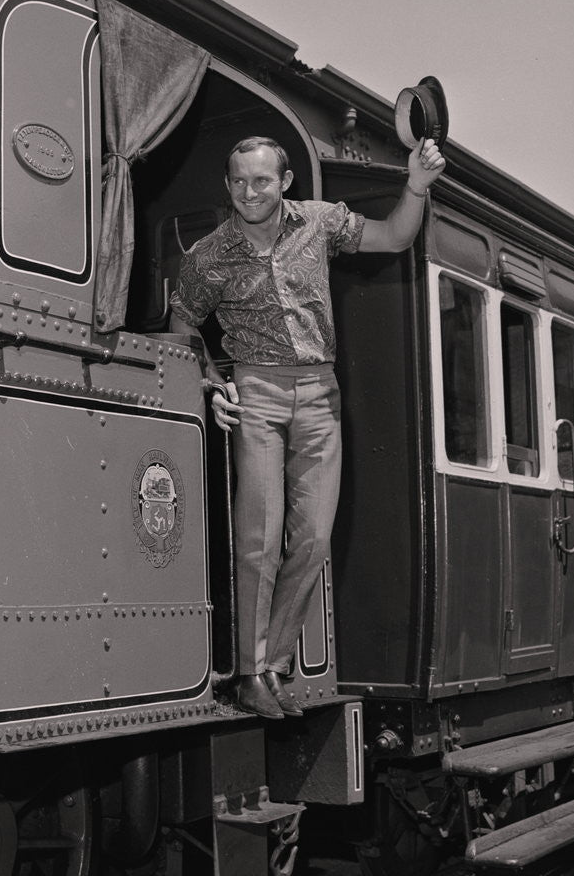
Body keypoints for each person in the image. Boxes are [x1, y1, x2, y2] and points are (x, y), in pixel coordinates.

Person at [169, 134, 445, 719]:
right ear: (228, 186)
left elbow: (395, 236)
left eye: (262, 180)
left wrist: (415, 187)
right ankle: (248, 674)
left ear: (285, 182)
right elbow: (182, 323)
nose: (249, 192)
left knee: (315, 537)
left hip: (320, 393)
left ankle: (273, 665)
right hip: (257, 391)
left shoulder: (319, 224)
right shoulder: (209, 256)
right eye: (239, 181)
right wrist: (211, 383)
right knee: (260, 539)